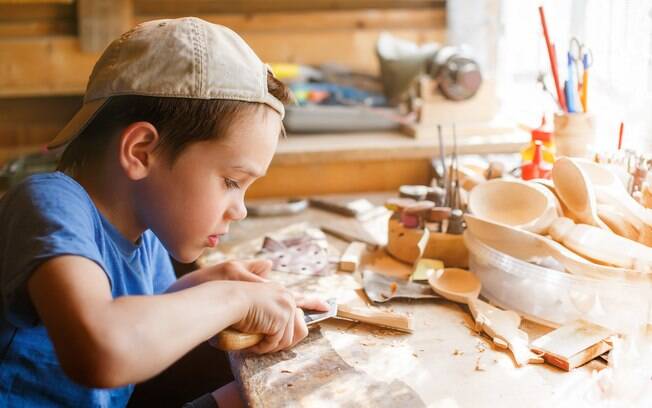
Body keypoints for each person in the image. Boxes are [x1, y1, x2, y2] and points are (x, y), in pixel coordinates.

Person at [0, 17, 327, 407]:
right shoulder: (48, 204)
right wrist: (231, 300)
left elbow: (143, 311)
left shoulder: (145, 229)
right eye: (231, 181)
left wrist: (204, 285)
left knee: (289, 390)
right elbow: (103, 348)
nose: (239, 210)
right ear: (141, 152)